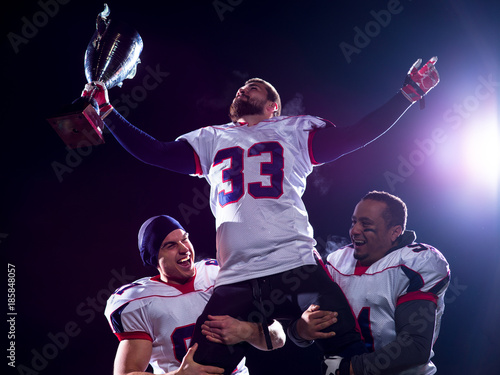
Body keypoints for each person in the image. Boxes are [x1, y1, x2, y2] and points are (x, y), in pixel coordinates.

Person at [87, 57, 440, 374]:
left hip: (295, 264)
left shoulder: (295, 132)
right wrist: (107, 112)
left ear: (274, 107)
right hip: (237, 276)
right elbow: (156, 153)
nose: (244, 87)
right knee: (201, 367)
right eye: (243, 85)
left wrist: (406, 95)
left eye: (254, 87)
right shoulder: (212, 139)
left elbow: (357, 135)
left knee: (344, 353)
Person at [104, 215, 285, 375]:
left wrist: (246, 330)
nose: (184, 249)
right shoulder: (140, 302)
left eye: (185, 239)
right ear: (154, 258)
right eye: (170, 245)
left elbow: (278, 338)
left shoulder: (220, 274)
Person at [293, 191, 450, 375]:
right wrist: (300, 331)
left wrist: (350, 368)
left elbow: (414, 347)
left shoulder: (415, 264)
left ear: (395, 232)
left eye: (366, 224)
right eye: (354, 222)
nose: (355, 230)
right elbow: (303, 323)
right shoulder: (337, 262)